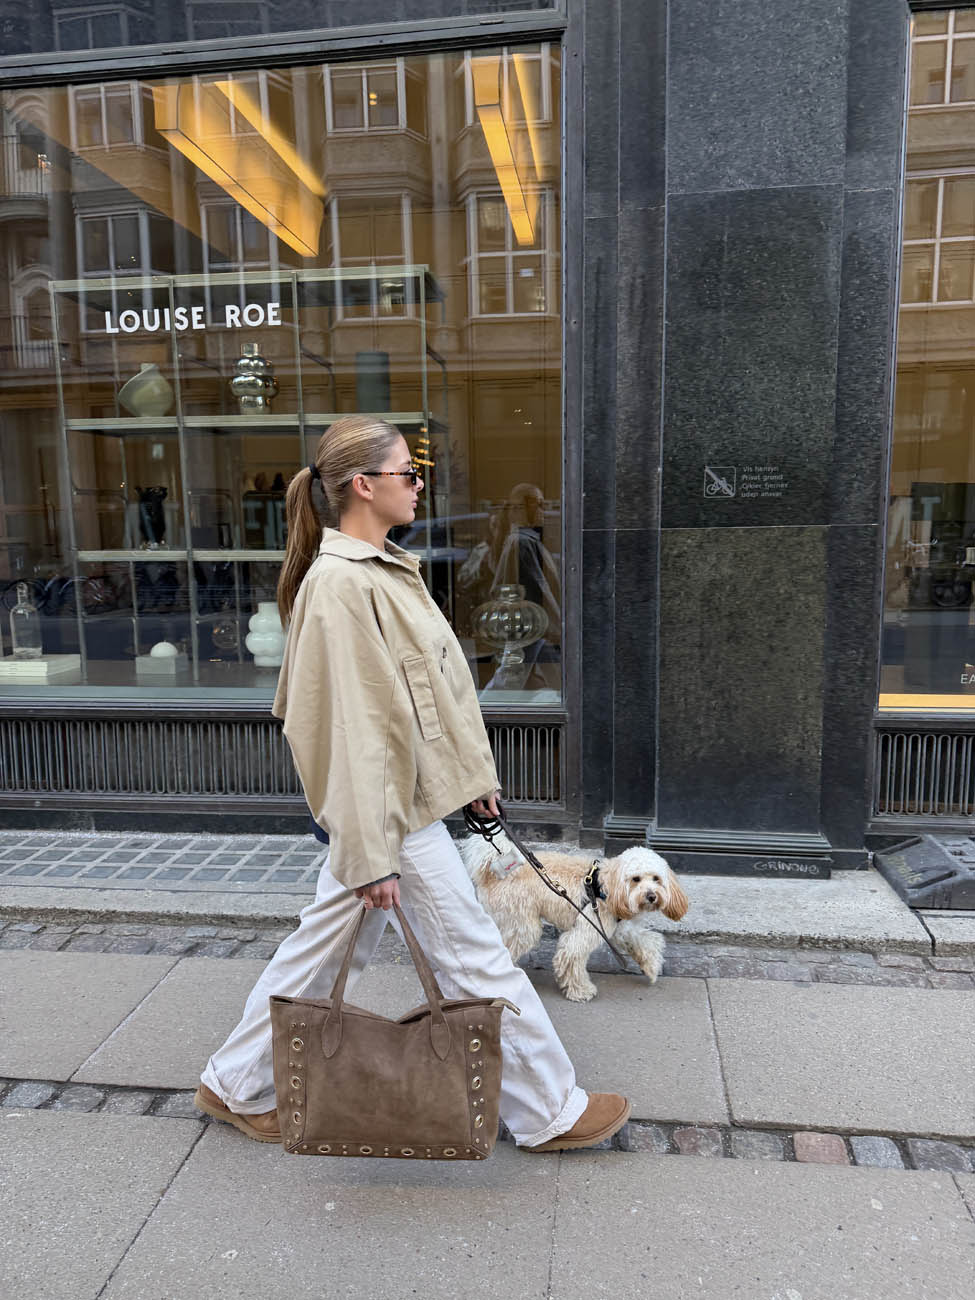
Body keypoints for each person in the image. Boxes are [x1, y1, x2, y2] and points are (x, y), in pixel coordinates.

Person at [194, 414, 630, 1152]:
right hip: (389, 818)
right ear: (363, 486)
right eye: (408, 473)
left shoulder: (385, 568)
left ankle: (232, 1083)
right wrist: (369, 854)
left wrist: (471, 782)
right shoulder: (341, 587)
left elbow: (428, 696)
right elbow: (350, 735)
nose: (420, 483)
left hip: (403, 803)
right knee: (473, 958)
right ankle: (548, 1109)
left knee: (324, 952)